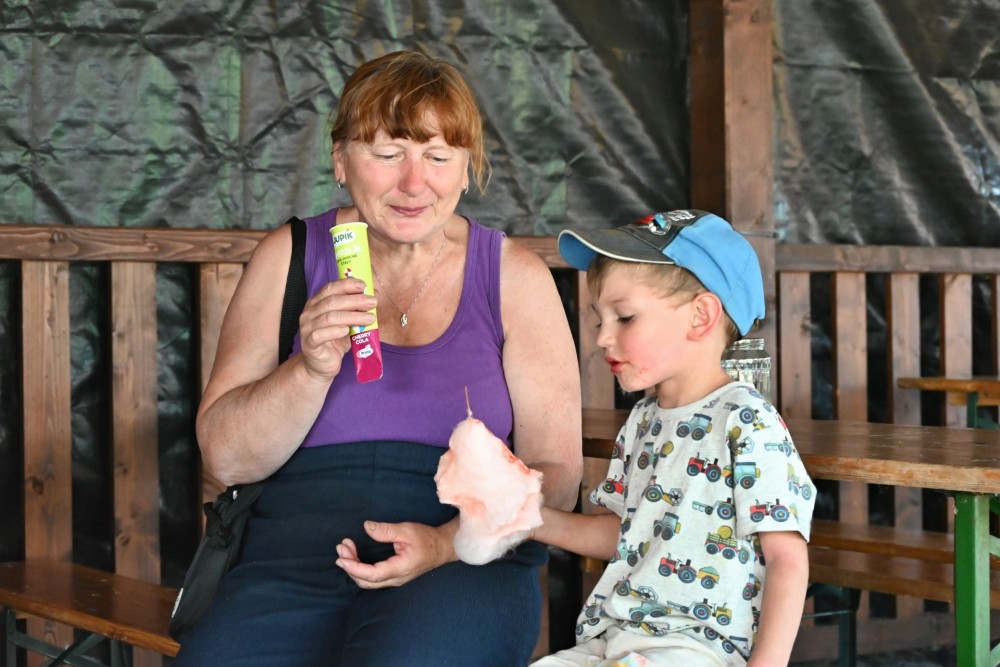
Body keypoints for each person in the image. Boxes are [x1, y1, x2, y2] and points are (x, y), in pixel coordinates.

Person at [173, 50, 583, 666]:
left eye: (438, 157)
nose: (414, 184)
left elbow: (560, 475)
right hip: (293, 557)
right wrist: (309, 369)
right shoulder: (290, 257)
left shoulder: (514, 277)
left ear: (467, 169)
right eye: (388, 154)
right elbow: (227, 458)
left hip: (464, 558)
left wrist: (448, 541)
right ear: (341, 160)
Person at [530, 210, 815, 667]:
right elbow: (625, 532)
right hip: (614, 638)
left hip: (694, 648)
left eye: (625, 317)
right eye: (600, 319)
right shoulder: (642, 420)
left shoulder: (746, 420)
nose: (602, 337)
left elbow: (788, 559)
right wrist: (523, 518)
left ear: (701, 316)